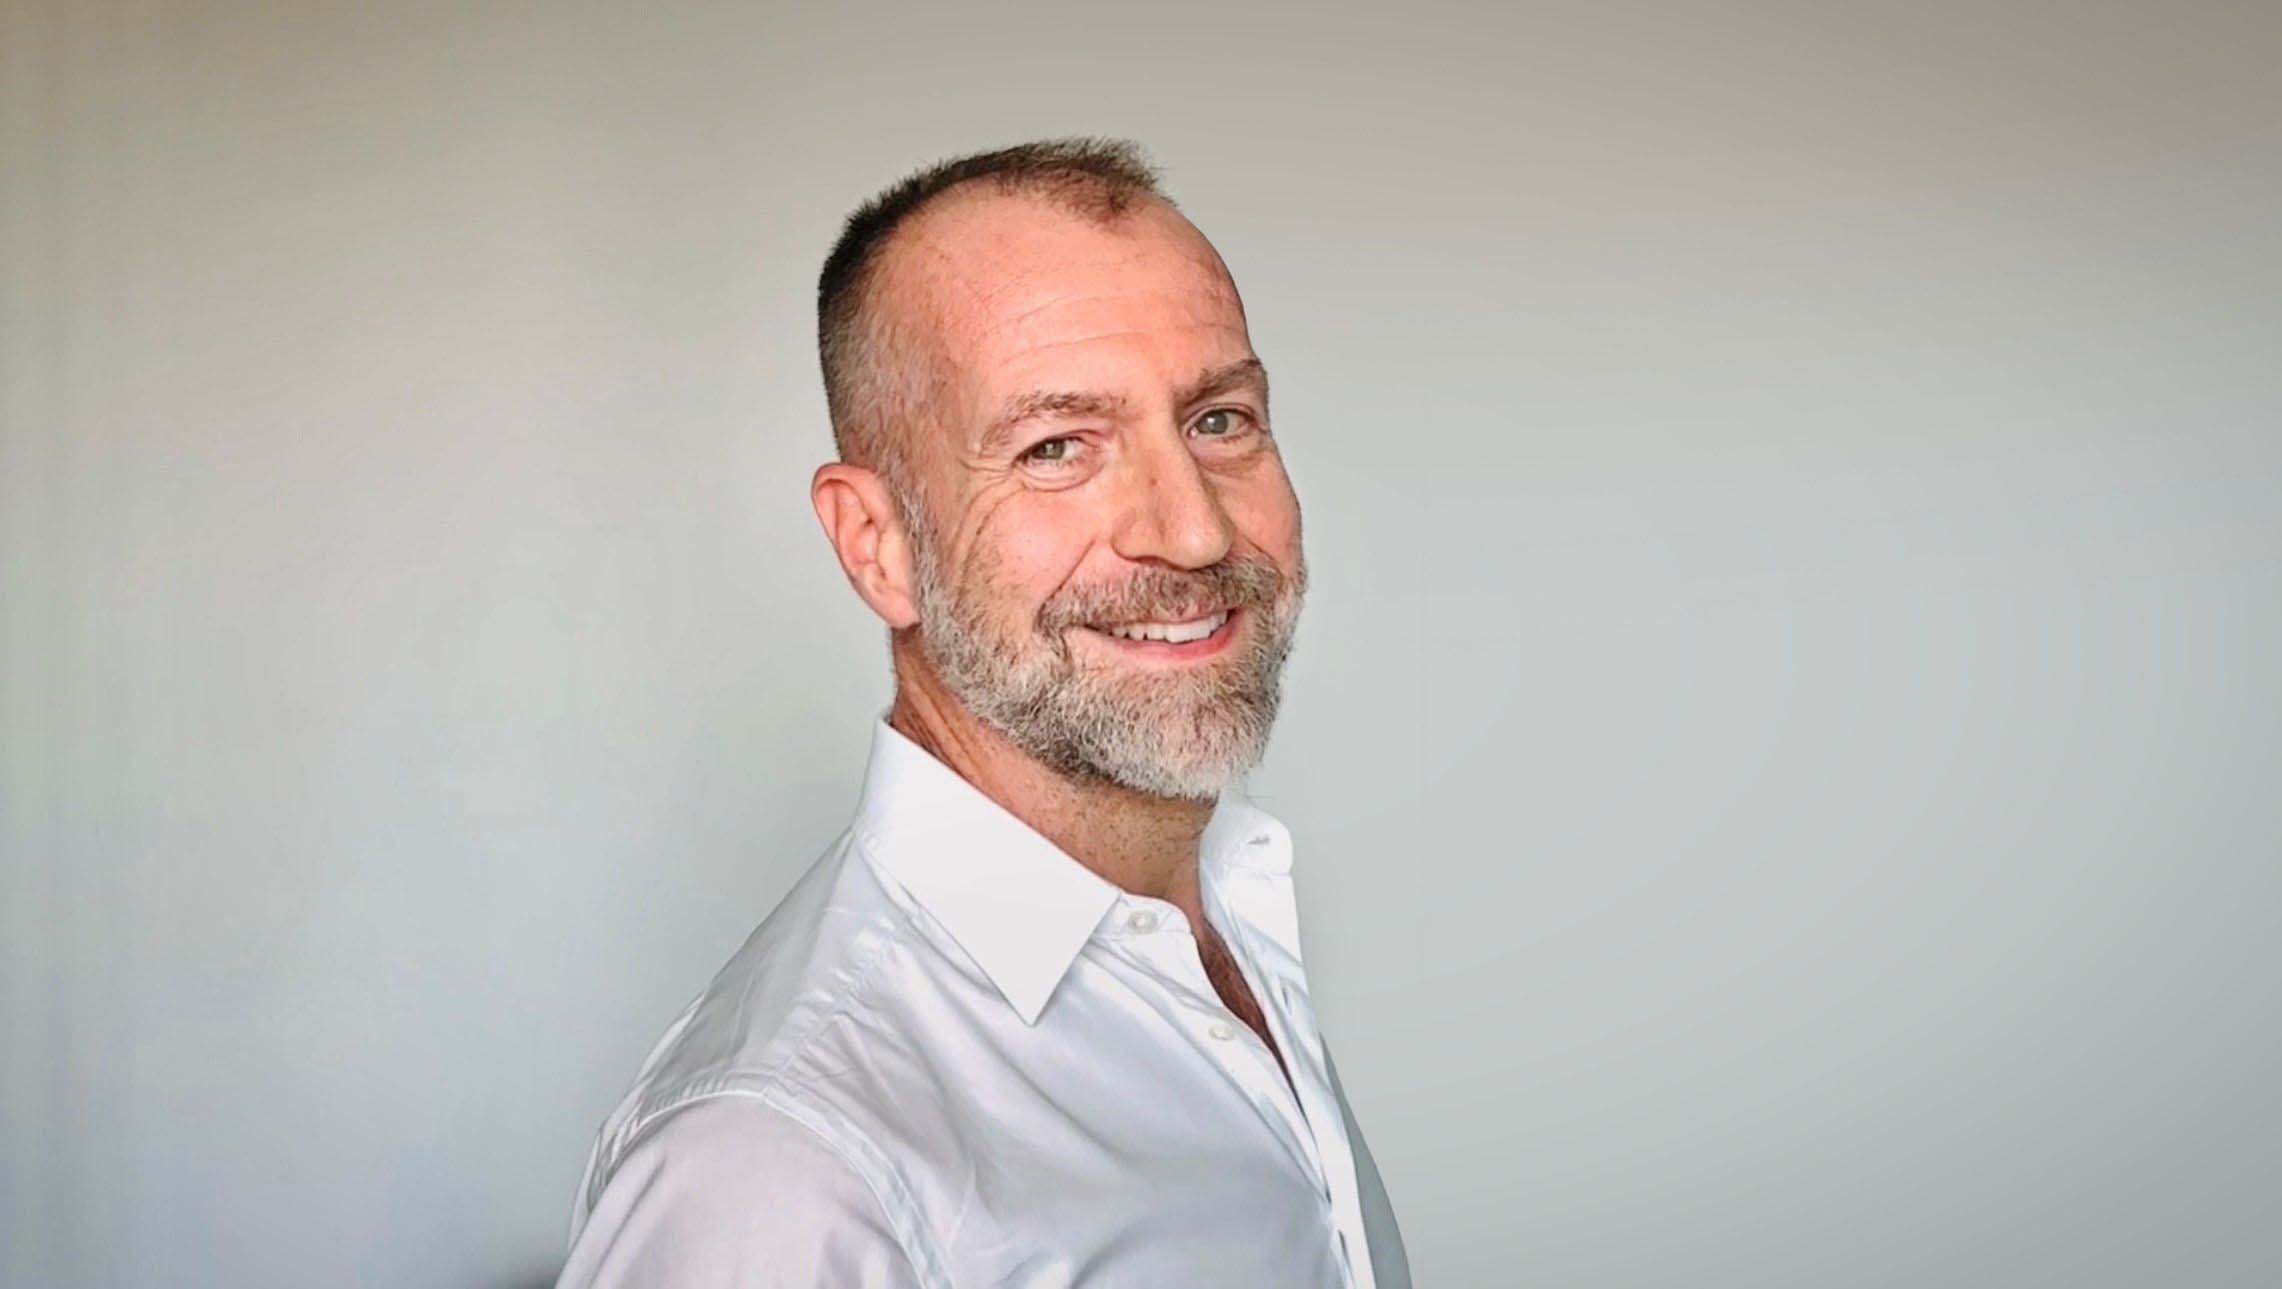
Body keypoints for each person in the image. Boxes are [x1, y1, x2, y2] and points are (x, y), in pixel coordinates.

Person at [557, 137, 1410, 1288]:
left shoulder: (1224, 912)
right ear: (877, 544)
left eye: (1217, 420)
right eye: (1056, 448)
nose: (1194, 531)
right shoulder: (778, 1166)